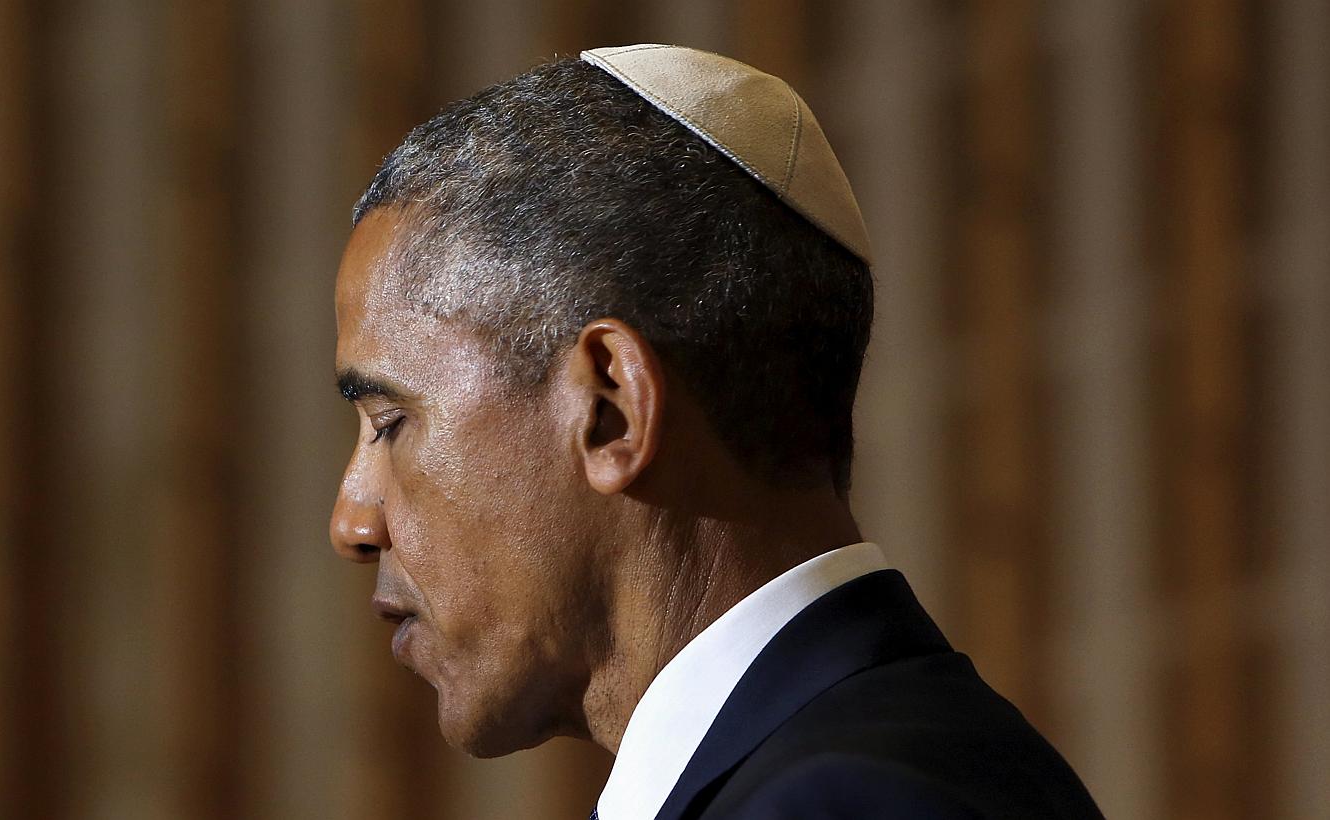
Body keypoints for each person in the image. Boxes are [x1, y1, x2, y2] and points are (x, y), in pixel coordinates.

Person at [330, 44, 1102, 820]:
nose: (354, 522)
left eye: (390, 422)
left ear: (610, 411)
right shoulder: (892, 762)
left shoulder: (847, 803)